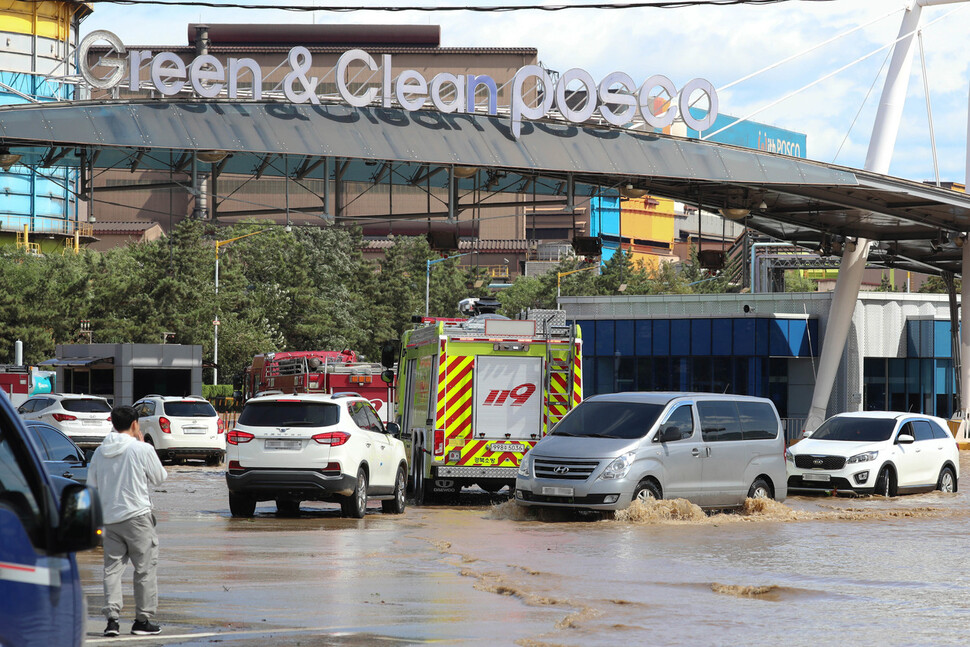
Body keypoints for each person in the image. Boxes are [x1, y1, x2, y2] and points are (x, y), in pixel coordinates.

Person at [87, 405, 168, 637]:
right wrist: (145, 445)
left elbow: (91, 487)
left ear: (113, 423)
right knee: (144, 570)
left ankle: (112, 621)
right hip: (138, 518)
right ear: (134, 424)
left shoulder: (100, 452)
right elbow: (160, 478)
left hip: (109, 519)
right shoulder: (141, 449)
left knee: (112, 570)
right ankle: (142, 620)